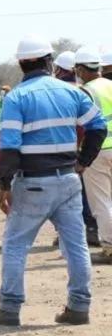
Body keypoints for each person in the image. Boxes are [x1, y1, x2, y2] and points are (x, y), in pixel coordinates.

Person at [0, 36, 106, 327]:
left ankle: (9, 309)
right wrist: (82, 162)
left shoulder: (16, 98)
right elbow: (98, 127)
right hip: (68, 179)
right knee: (76, 245)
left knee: (16, 246)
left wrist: (5, 185)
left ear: (20, 64)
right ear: (49, 61)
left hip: (31, 182)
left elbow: (10, 148)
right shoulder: (72, 92)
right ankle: (79, 307)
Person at [52, 50, 100, 248]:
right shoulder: (83, 89)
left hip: (66, 149)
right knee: (87, 192)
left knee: (68, 195)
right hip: (87, 147)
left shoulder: (59, 90)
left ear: (59, 69)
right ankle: (92, 229)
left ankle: (73, 232)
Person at [74, 46, 112, 264]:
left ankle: (109, 248)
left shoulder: (85, 91)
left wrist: (81, 158)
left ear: (80, 69)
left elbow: (83, 127)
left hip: (98, 151)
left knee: (101, 202)